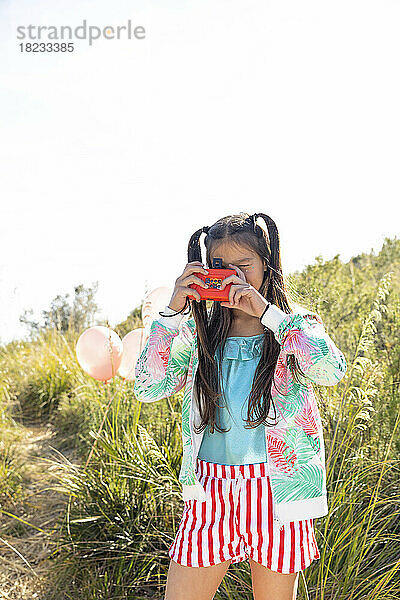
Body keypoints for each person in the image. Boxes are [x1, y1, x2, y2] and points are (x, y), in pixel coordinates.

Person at [134, 211, 347, 600]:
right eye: (219, 266)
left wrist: (267, 313)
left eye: (243, 266)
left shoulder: (292, 326)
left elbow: (331, 369)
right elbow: (148, 387)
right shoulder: (196, 334)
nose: (231, 276)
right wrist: (171, 312)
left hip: (277, 491)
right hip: (209, 489)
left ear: (268, 265)